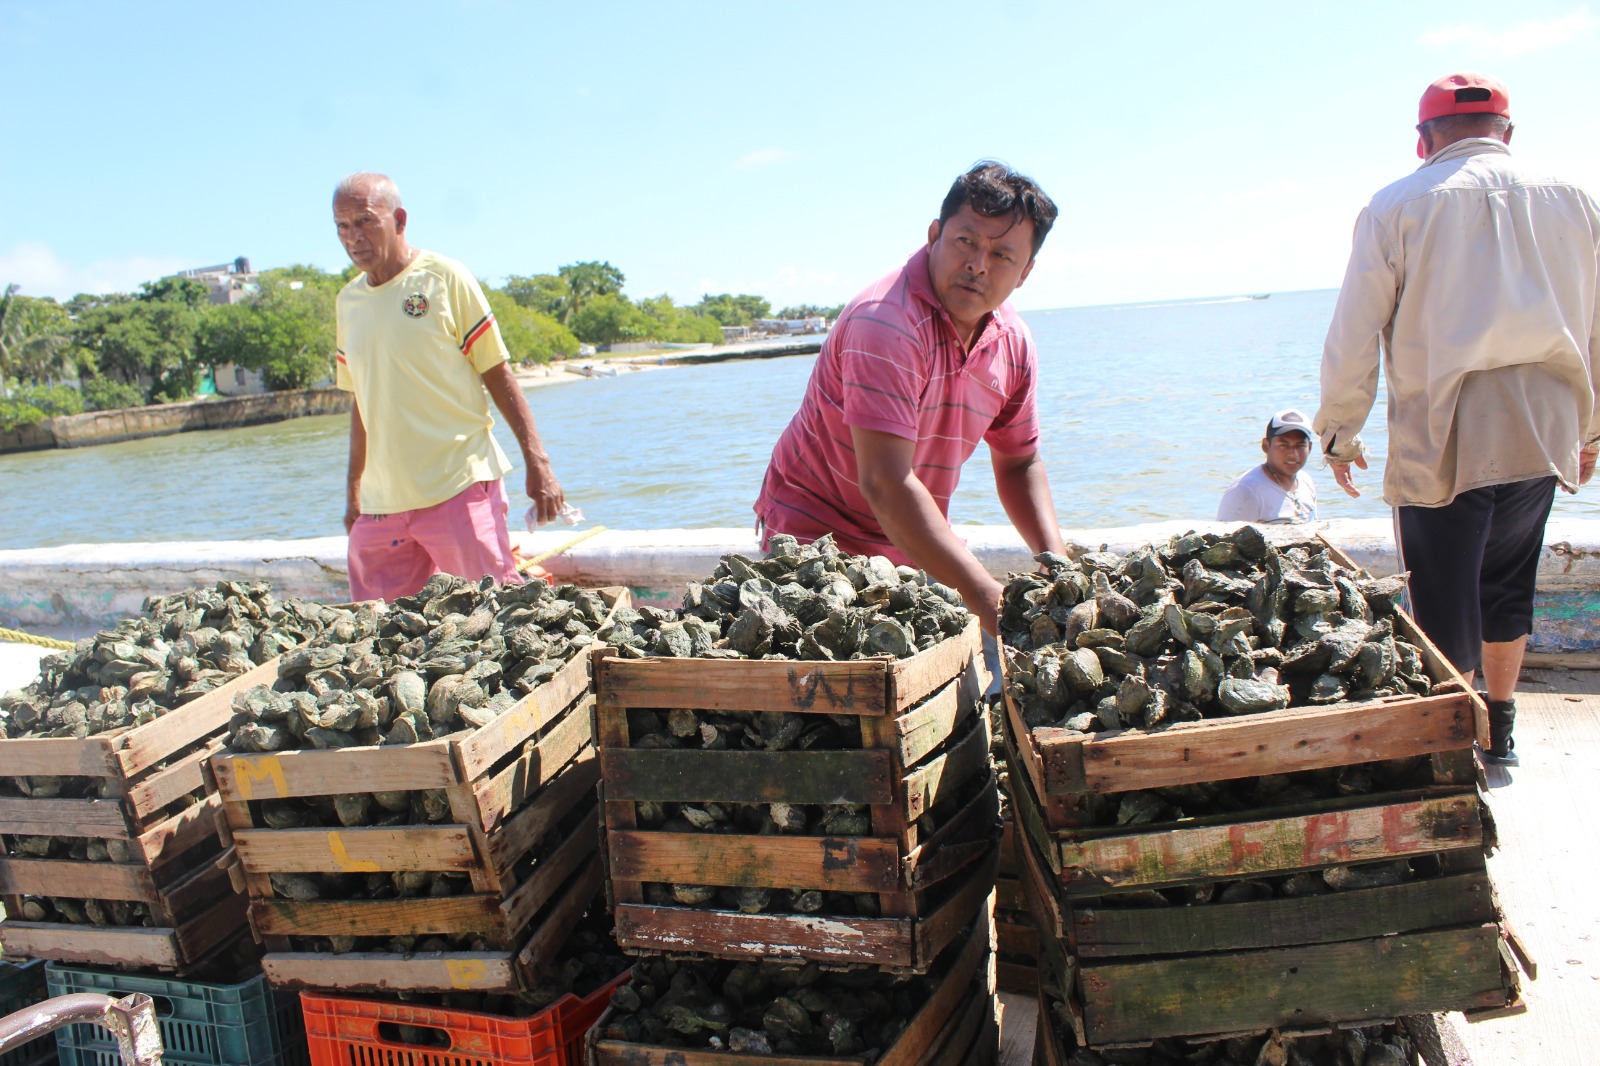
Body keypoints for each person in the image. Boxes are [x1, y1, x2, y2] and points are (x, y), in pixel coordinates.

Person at [1315, 73, 1600, 765]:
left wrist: (1340, 432)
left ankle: (1456, 751)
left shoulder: (1397, 206)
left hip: (1444, 431)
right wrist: (1592, 430)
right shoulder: (1576, 198)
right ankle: (1500, 731)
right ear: (1508, 133)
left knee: (1442, 596)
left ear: (1424, 139)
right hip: (1546, 422)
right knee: (1509, 579)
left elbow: (1355, 331)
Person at [754, 161, 1066, 635]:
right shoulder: (886, 323)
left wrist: (1059, 571)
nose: (978, 264)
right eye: (966, 241)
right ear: (934, 234)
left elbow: (1019, 463)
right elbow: (886, 482)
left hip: (906, 534)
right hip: (813, 533)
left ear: (1025, 272)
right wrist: (987, 599)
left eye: (1003, 255)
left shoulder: (1014, 343)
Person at [332, 172, 565, 603]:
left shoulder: (444, 277)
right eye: (342, 226)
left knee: (493, 616)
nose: (353, 237)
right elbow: (360, 402)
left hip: (457, 484)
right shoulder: (348, 303)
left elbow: (497, 373)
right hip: (382, 504)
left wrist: (539, 462)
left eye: (364, 221)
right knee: (381, 633)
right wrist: (354, 494)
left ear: (399, 220)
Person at [1217, 409, 1318, 523]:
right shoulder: (1244, 491)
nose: (1293, 454)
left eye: (1300, 446)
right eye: (1284, 445)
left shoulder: (1306, 482)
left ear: (1309, 447)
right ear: (1266, 446)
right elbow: (1225, 538)